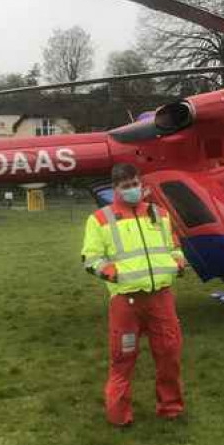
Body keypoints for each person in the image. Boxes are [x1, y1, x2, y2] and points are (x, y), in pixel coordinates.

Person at [81, 164, 187, 426]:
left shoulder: (159, 214)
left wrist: (178, 262)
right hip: (126, 302)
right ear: (115, 189)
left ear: (141, 183)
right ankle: (119, 416)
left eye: (135, 184)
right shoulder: (100, 219)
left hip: (161, 298)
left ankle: (171, 408)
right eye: (126, 186)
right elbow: (91, 258)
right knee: (123, 359)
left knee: (169, 355)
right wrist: (114, 274)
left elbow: (174, 246)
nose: (132, 189)